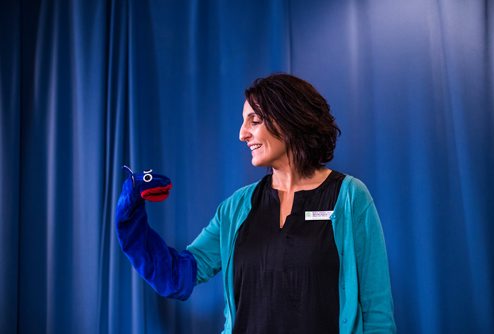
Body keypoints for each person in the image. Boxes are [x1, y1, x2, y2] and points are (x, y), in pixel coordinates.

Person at [115, 73, 396, 333]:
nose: (242, 133)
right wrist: (130, 221)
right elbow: (176, 276)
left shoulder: (350, 198)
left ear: (289, 119)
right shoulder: (235, 209)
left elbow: (377, 312)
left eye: (254, 120)